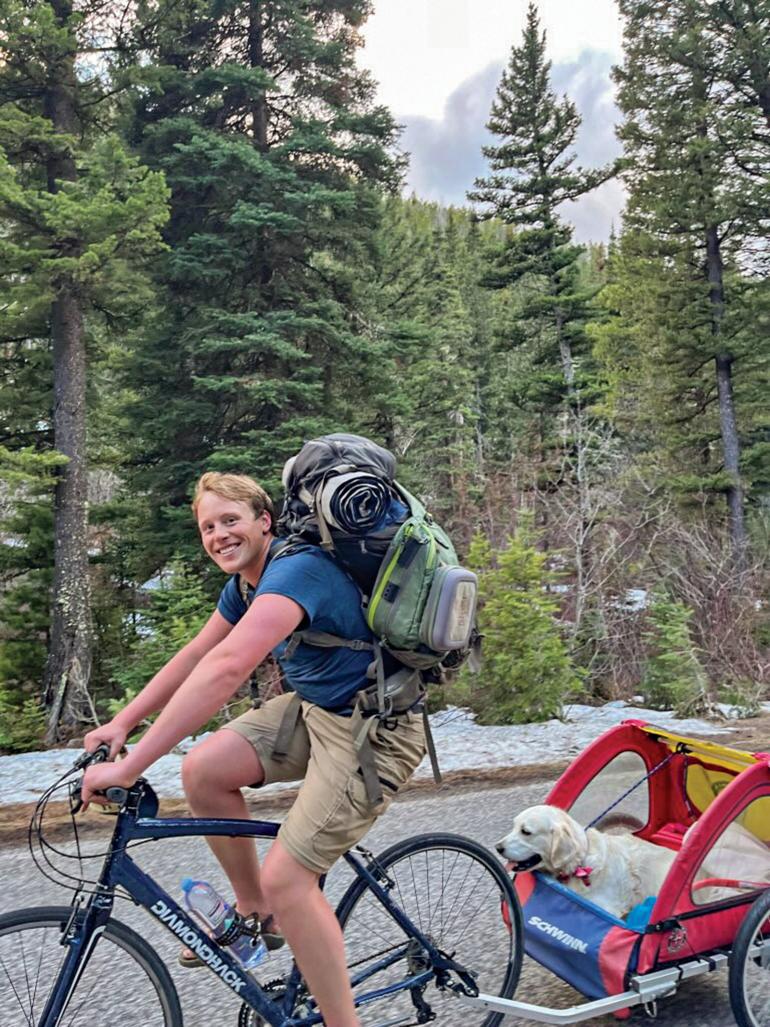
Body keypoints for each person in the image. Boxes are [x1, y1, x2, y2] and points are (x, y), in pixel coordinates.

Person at [81, 471, 427, 1027]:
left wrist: (133, 766)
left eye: (231, 520)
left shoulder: (297, 571)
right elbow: (197, 654)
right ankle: (254, 918)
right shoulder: (245, 582)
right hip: (316, 709)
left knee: (289, 877)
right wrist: (121, 724)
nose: (219, 535)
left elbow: (227, 668)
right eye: (208, 527)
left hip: (374, 732)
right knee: (204, 770)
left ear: (264, 521)